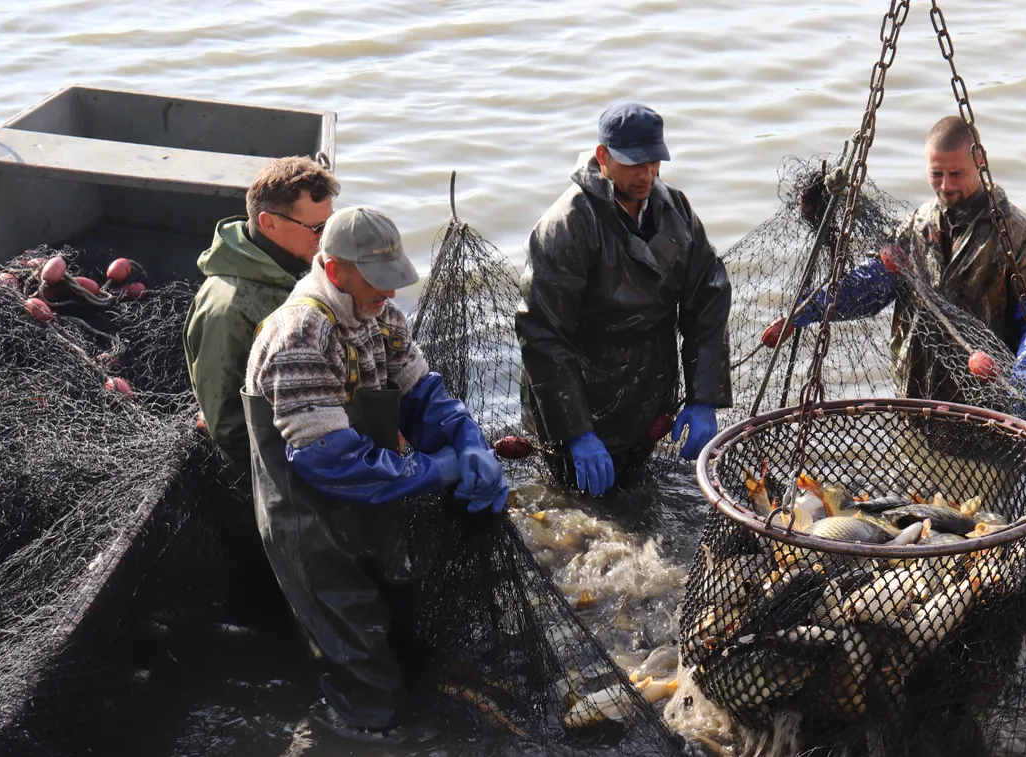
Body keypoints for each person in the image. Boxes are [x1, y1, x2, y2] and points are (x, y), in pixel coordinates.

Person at [242, 206, 509, 735]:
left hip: (370, 505)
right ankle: (354, 738)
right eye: (377, 282)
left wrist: (468, 442)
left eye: (393, 282)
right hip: (309, 523)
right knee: (363, 668)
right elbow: (332, 462)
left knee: (398, 630)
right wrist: (436, 471)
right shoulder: (299, 335)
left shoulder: (379, 316)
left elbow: (423, 394)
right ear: (334, 268)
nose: (388, 294)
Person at [762, 116, 1026, 409]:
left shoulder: (1018, 233)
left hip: (989, 410)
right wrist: (807, 309)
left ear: (980, 161)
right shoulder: (916, 226)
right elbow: (870, 287)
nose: (945, 185)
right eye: (936, 173)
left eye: (956, 174)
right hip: (917, 404)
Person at [515, 102, 732, 496]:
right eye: (634, 164)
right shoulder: (566, 225)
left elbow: (709, 298)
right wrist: (576, 432)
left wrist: (704, 398)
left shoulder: (677, 211)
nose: (647, 174)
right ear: (603, 157)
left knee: (637, 506)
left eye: (654, 162)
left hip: (645, 401)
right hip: (579, 402)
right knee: (577, 509)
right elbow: (543, 335)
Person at [184, 156, 339, 477]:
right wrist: (307, 474)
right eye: (317, 228)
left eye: (330, 224)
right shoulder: (228, 309)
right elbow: (228, 427)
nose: (326, 238)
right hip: (272, 473)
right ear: (269, 223)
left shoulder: (301, 265)